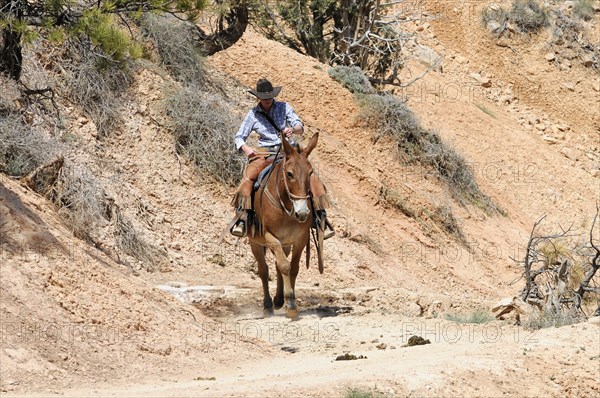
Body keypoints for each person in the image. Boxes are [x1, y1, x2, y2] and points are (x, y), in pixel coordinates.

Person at [230, 78, 334, 239]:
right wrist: (246, 148)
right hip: (265, 153)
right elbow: (239, 137)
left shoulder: (284, 107)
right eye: (264, 99)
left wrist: (292, 129)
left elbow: (300, 127)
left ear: (274, 96)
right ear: (258, 98)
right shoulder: (253, 114)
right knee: (248, 179)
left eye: (269, 98)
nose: (267, 101)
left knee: (311, 177)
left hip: (290, 153)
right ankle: (243, 217)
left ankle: (320, 217)